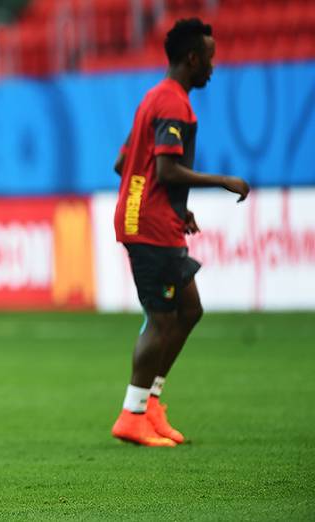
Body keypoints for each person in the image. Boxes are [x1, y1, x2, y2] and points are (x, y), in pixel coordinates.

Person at [110, 18, 250, 447]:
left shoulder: (153, 98)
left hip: (153, 218)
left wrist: (178, 207)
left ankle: (150, 403)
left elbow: (124, 164)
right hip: (149, 225)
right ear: (192, 58)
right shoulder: (172, 105)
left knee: (189, 311)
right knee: (163, 318)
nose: (212, 66)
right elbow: (167, 169)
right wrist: (223, 180)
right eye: (209, 57)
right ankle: (132, 414)